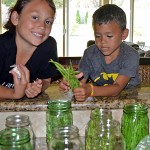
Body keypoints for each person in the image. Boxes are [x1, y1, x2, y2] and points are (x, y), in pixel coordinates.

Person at [60, 4, 141, 101]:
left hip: (128, 101)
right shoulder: (89, 54)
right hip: (98, 100)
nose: (102, 41)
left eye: (109, 36)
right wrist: (71, 83)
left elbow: (118, 87)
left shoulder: (130, 55)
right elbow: (81, 82)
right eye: (98, 36)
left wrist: (90, 90)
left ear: (124, 34)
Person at [0, 0, 59, 99]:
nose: (42, 26)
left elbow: (46, 80)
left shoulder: (48, 47)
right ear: (16, 18)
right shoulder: (2, 45)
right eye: (35, 17)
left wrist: (38, 87)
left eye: (48, 22)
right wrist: (15, 94)